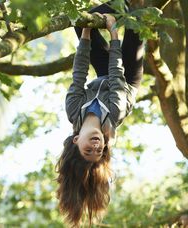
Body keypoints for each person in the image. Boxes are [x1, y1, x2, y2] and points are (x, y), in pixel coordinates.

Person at [56, 2, 144, 227]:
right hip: (125, 78)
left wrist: (86, 31)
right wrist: (113, 32)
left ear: (76, 141)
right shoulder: (114, 115)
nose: (96, 146)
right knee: (136, 19)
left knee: (82, 19)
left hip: (104, 72)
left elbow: (79, 73)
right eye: (99, 151)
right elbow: (117, 75)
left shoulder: (74, 112)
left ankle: (120, 3)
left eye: (88, 150)